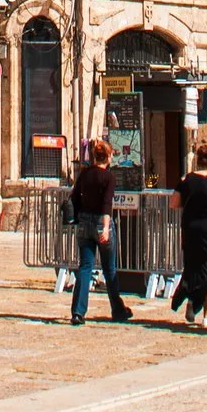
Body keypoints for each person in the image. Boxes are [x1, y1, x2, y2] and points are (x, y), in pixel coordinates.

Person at [68, 138, 132, 325]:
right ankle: (117, 309)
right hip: (100, 222)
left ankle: (78, 311)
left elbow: (75, 198)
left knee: (85, 266)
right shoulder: (108, 178)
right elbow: (107, 204)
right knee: (109, 268)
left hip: (84, 221)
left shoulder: (85, 174)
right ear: (109, 157)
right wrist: (104, 227)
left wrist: (79, 217)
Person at [169, 146, 207, 328]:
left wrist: (191, 202)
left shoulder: (185, 180)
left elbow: (173, 203)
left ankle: (191, 302)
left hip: (191, 228)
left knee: (193, 266)